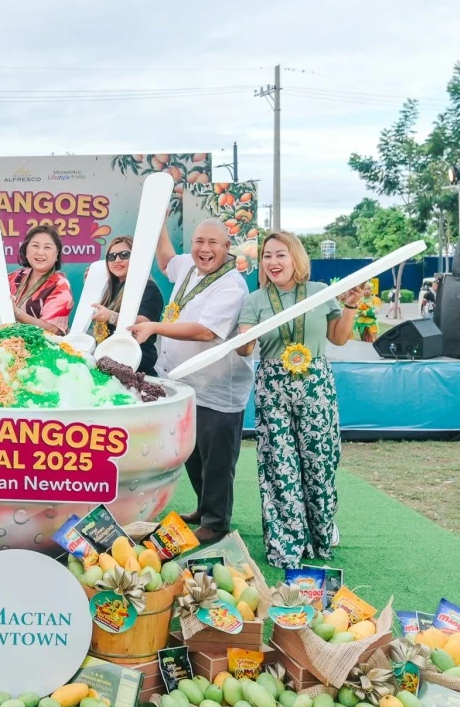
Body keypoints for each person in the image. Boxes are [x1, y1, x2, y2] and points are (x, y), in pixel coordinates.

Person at [235, 231, 363, 569]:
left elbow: (339, 337)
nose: (273, 262)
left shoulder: (322, 293)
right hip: (273, 386)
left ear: (296, 257)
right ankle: (286, 544)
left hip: (315, 385)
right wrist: (246, 337)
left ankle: (321, 533)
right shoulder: (256, 300)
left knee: (319, 462)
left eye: (280, 255)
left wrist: (350, 304)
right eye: (267, 256)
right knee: (280, 466)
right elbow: (244, 348)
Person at [129, 219, 253, 543]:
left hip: (217, 387)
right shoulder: (188, 266)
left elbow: (205, 331)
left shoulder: (232, 286)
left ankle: (216, 523)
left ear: (228, 249)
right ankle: (203, 509)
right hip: (185, 384)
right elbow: (167, 260)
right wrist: (158, 222)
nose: (204, 249)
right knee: (194, 453)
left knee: (217, 458)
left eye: (213, 243)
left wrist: (155, 327)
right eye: (199, 241)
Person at [87, 235, 165, 375]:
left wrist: (111, 316)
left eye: (124, 255)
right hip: (109, 367)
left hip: (136, 371)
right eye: (112, 256)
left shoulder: (149, 289)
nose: (117, 260)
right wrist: (92, 285)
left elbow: (142, 323)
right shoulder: (111, 288)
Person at [0, 223, 74, 334]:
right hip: (13, 343)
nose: (40, 252)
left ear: (57, 253)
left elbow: (51, 329)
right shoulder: (20, 275)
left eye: (47, 247)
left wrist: (16, 312)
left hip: (46, 348)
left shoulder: (60, 284)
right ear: (26, 250)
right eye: (35, 246)